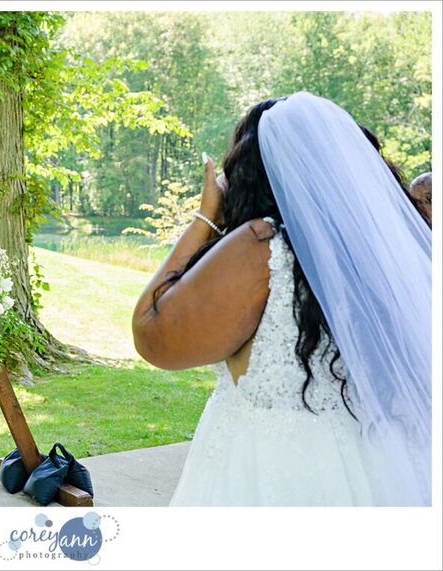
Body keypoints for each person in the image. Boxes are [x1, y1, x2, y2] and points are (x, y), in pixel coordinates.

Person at [132, 92, 431, 506]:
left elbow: (153, 333)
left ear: (253, 171)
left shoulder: (263, 246)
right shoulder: (383, 255)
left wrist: (205, 217)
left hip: (274, 476)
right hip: (373, 470)